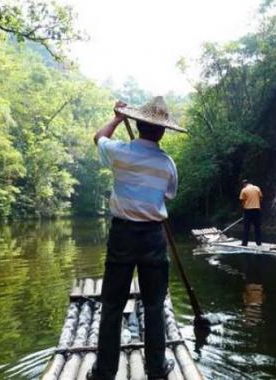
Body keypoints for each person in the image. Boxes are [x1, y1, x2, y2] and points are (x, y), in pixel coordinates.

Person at [89, 97, 186, 380]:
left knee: (112, 305)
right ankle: (156, 369)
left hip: (123, 236)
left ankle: (105, 372)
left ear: (138, 125)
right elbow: (168, 195)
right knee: (155, 305)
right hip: (154, 237)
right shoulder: (168, 164)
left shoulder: (120, 152)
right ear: (163, 131)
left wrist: (118, 118)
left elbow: (99, 137)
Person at [239, 179, 262, 246]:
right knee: (257, 227)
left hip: (248, 210)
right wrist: (257, 204)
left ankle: (244, 243)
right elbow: (260, 198)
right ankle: (259, 243)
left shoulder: (244, 190)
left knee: (246, 228)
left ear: (244, 184)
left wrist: (244, 208)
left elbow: (242, 200)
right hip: (257, 210)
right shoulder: (257, 188)